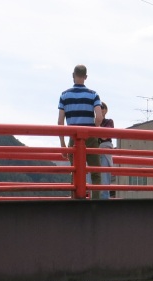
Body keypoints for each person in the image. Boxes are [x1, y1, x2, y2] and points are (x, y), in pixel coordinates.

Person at [58, 64, 104, 199]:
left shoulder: (64, 95)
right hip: (89, 135)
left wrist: (63, 144)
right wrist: (94, 129)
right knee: (95, 173)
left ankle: (76, 203)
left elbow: (60, 122)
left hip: (73, 137)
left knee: (76, 173)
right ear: (86, 77)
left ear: (73, 75)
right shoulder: (93, 95)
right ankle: (95, 203)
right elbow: (99, 117)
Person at [99, 102, 116, 199]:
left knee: (104, 179)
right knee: (92, 179)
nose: (100, 110)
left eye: (102, 108)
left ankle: (104, 200)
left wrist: (96, 128)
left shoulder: (109, 121)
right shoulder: (92, 122)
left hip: (104, 150)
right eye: (98, 108)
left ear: (105, 110)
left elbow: (105, 136)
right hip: (95, 150)